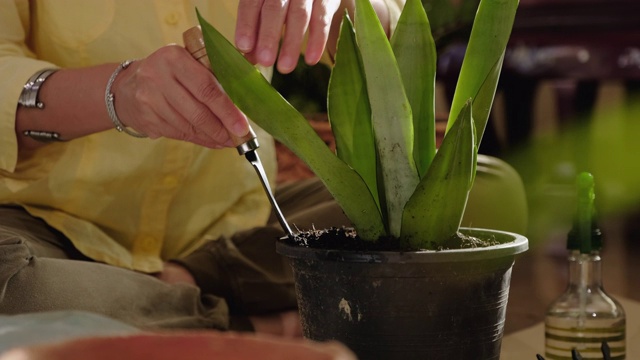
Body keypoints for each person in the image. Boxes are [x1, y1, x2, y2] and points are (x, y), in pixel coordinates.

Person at [0, 0, 405, 336]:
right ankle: (255, 328)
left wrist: (348, 10)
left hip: (241, 236)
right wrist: (119, 92)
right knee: (12, 287)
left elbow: (403, 40)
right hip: (46, 227)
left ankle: (172, 292)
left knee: (448, 201)